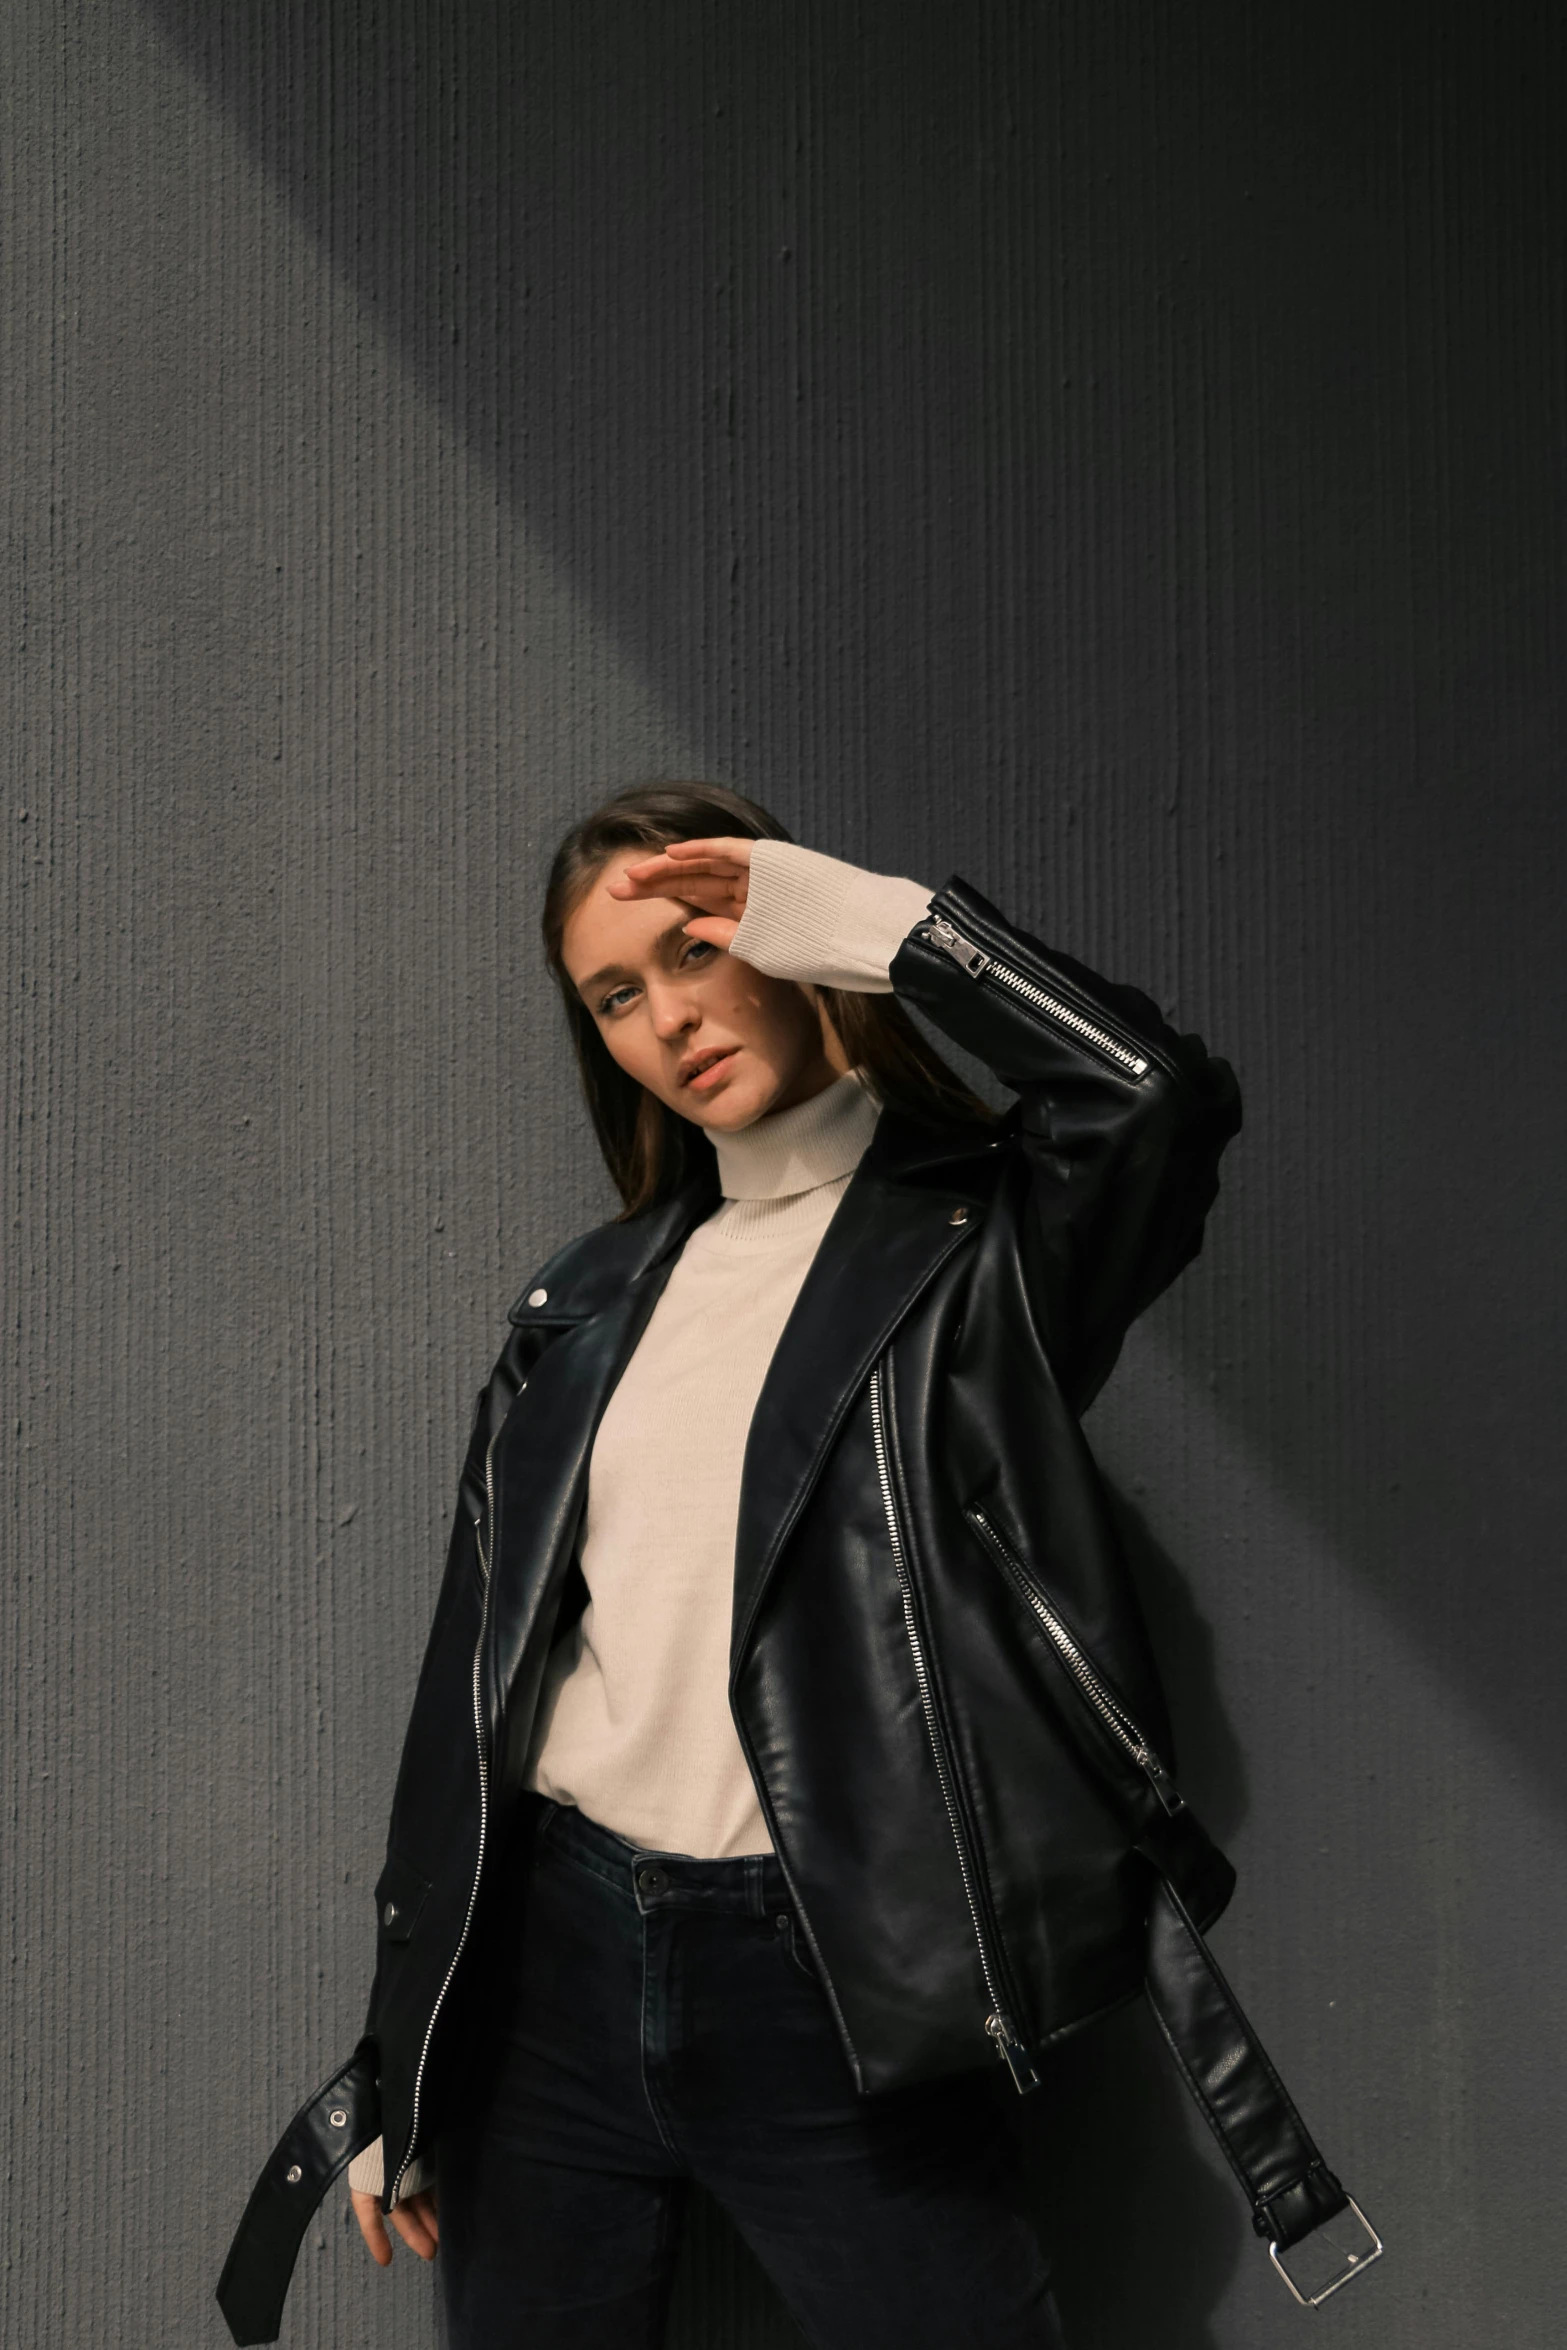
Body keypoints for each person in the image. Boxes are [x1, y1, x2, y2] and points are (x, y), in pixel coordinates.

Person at [221, 779, 1367, 2348]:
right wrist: (403, 2055)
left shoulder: (977, 1252)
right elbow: (472, 1696)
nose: (667, 1017)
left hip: (830, 1971)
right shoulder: (583, 1304)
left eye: (696, 950)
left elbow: (1153, 1101)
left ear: (780, 938)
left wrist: (884, 928)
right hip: (552, 1976)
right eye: (615, 996)